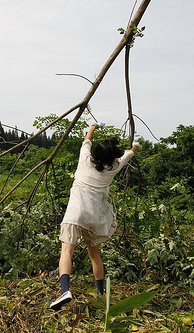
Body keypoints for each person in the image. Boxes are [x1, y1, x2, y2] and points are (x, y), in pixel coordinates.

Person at [49, 123, 140, 310]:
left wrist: (93, 127)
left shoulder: (84, 160)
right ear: (112, 158)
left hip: (76, 214)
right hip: (95, 217)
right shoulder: (113, 168)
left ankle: (65, 290)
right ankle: (101, 294)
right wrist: (134, 148)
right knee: (94, 255)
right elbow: (127, 155)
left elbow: (87, 140)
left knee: (66, 252)